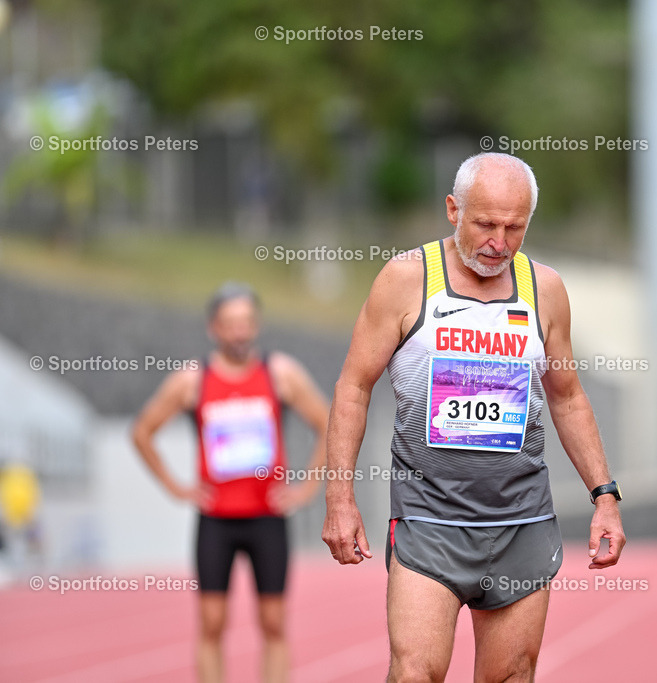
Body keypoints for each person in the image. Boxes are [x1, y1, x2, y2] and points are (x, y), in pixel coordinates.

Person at [321, 153, 626, 682]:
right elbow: (353, 386)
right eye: (485, 223)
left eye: (515, 228)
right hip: (429, 517)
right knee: (416, 672)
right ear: (452, 209)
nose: (498, 242)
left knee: (510, 676)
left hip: (521, 520)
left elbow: (568, 397)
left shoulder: (544, 289)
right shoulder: (405, 279)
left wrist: (605, 496)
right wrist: (339, 497)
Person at [133, 282, 330, 683]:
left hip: (267, 516)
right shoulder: (192, 380)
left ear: (256, 325)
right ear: (213, 328)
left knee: (273, 623)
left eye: (246, 322)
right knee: (212, 623)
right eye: (230, 324)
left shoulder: (280, 374)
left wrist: (308, 487)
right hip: (217, 519)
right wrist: (176, 487)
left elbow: (329, 423)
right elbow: (142, 432)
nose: (239, 331)